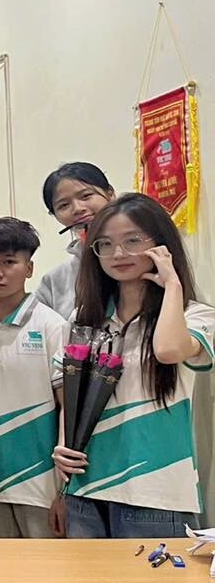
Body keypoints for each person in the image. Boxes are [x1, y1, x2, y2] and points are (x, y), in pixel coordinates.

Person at [52, 193, 213, 537]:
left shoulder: (194, 315)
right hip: (86, 488)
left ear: (162, 245)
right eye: (106, 244)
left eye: (133, 240)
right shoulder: (84, 319)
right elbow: (72, 395)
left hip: (156, 493)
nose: (118, 254)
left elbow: (168, 350)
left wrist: (172, 284)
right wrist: (64, 446)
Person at [0, 217, 66, 538]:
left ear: (29, 268)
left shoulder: (53, 327)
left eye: (8, 262)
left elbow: (67, 410)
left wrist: (64, 489)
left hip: (42, 487)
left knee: (47, 569)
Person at [34, 163, 115, 320]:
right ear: (55, 215)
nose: (78, 208)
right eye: (64, 205)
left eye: (86, 196)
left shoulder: (140, 258)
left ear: (110, 194)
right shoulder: (54, 280)